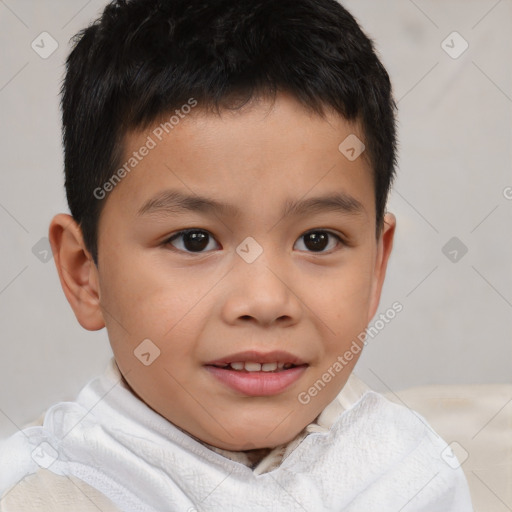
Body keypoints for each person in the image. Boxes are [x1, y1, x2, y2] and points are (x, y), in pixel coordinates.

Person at [0, 0, 473, 510]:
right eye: (194, 240)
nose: (265, 300)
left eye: (317, 240)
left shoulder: (412, 475)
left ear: (377, 267)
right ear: (84, 273)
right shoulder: (42, 493)